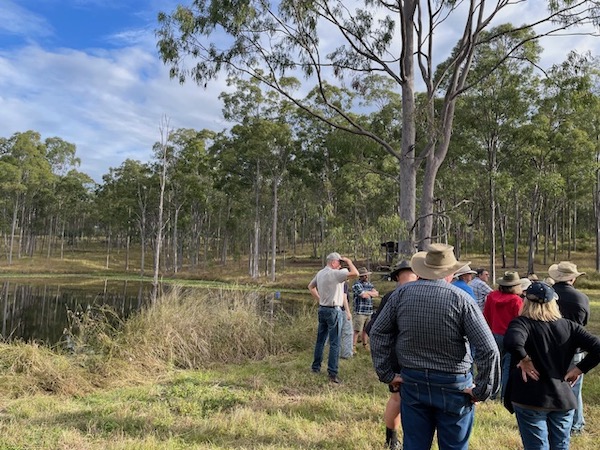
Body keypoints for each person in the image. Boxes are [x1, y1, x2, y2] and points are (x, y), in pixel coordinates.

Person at [370, 243, 500, 450]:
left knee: (414, 445)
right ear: (450, 272)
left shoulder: (400, 295)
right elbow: (489, 349)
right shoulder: (462, 299)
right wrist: (482, 390)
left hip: (413, 381)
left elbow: (377, 332)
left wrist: (386, 373)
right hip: (454, 384)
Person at [504, 281, 600, 450]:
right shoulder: (570, 326)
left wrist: (525, 359)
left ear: (526, 302)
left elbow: (512, 341)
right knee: (561, 446)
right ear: (553, 303)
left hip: (530, 397)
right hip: (562, 398)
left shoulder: (522, 323)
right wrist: (579, 369)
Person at [366, 260, 417, 450]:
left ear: (396, 277)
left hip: (395, 358)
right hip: (417, 358)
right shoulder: (422, 294)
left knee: (397, 399)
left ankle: (392, 440)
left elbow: (373, 328)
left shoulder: (390, 296)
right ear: (418, 274)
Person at [548, 261, 590, 435]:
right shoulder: (581, 298)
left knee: (549, 385)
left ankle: (552, 420)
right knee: (574, 388)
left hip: (548, 347)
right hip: (574, 349)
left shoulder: (547, 295)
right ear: (572, 278)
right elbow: (584, 323)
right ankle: (575, 424)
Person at [309, 252, 359, 383]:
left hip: (322, 309)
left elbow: (311, 286)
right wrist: (349, 262)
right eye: (339, 262)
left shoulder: (320, 273)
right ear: (333, 262)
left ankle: (315, 367)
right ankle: (332, 373)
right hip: (334, 310)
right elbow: (356, 273)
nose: (340, 265)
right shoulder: (335, 273)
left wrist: (320, 299)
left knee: (320, 340)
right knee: (335, 343)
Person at [483, 271, 523, 399]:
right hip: (510, 337)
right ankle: (504, 395)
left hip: (494, 334)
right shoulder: (516, 300)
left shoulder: (491, 296)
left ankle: (492, 394)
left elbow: (486, 316)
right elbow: (519, 321)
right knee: (507, 368)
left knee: (495, 366)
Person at [352, 267, 379, 352]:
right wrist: (369, 293)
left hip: (369, 311)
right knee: (357, 329)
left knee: (366, 330)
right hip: (360, 311)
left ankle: (365, 344)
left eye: (366, 275)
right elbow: (363, 295)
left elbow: (376, 293)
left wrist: (368, 293)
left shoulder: (369, 284)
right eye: (364, 276)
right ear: (360, 276)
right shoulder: (357, 285)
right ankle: (353, 346)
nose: (366, 277)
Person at [340, 282, 354, 359]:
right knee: (348, 333)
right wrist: (348, 312)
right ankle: (347, 354)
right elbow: (344, 298)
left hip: (333, 309)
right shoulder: (343, 284)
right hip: (342, 310)